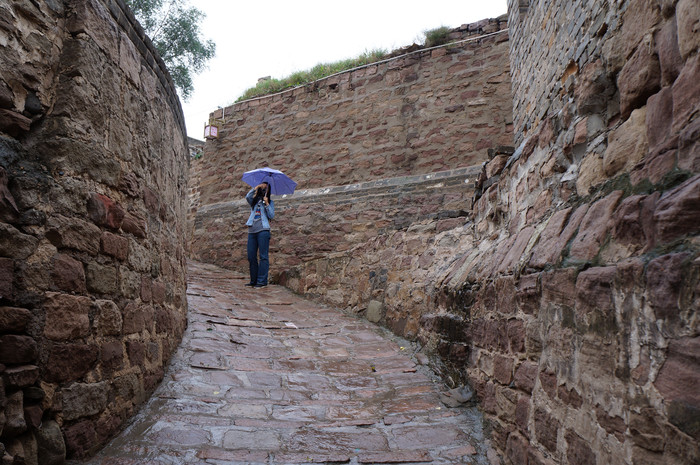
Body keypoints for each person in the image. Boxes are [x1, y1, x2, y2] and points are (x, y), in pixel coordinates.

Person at [245, 181, 274, 287]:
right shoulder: (254, 201)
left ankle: (261, 281)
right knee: (251, 256)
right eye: (262, 187)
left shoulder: (270, 202)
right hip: (252, 231)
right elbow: (247, 196)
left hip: (263, 231)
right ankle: (253, 280)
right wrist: (256, 187)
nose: (263, 188)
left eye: (265, 187)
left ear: (268, 190)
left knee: (263, 257)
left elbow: (271, 215)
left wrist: (266, 204)